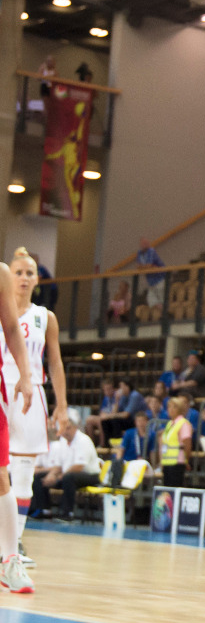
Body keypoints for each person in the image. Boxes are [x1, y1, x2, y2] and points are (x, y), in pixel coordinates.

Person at [0, 248, 68, 564]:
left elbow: (54, 363)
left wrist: (62, 405)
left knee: (24, 472)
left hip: (32, 393)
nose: (24, 278)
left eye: (30, 272)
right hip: (3, 389)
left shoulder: (46, 317)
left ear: (38, 279)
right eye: (19, 272)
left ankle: (15, 544)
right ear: (7, 276)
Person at [0, 263, 35, 593]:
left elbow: (11, 328)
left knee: (1, 476)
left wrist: (25, 375)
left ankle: (10, 560)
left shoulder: (0, 273)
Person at [29, 409, 101, 521]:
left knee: (69, 478)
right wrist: (52, 475)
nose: (66, 431)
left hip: (90, 475)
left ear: (75, 428)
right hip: (68, 474)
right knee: (40, 477)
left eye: (69, 428)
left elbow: (79, 466)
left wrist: (60, 477)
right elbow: (58, 465)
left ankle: (67, 513)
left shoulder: (83, 440)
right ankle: (44, 510)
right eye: (64, 428)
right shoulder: (62, 441)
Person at [159, 396, 193, 488]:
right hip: (167, 462)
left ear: (179, 409)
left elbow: (187, 444)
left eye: (174, 407)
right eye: (169, 407)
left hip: (177, 462)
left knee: (175, 488)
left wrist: (186, 460)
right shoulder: (169, 424)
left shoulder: (183, 423)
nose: (170, 409)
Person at [135, 238, 166, 317]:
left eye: (146, 243)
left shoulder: (151, 251)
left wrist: (146, 267)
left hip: (160, 278)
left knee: (161, 297)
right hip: (151, 281)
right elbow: (138, 266)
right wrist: (148, 267)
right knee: (150, 298)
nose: (144, 245)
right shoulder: (139, 253)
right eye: (142, 243)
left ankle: (165, 314)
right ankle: (164, 312)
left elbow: (148, 265)